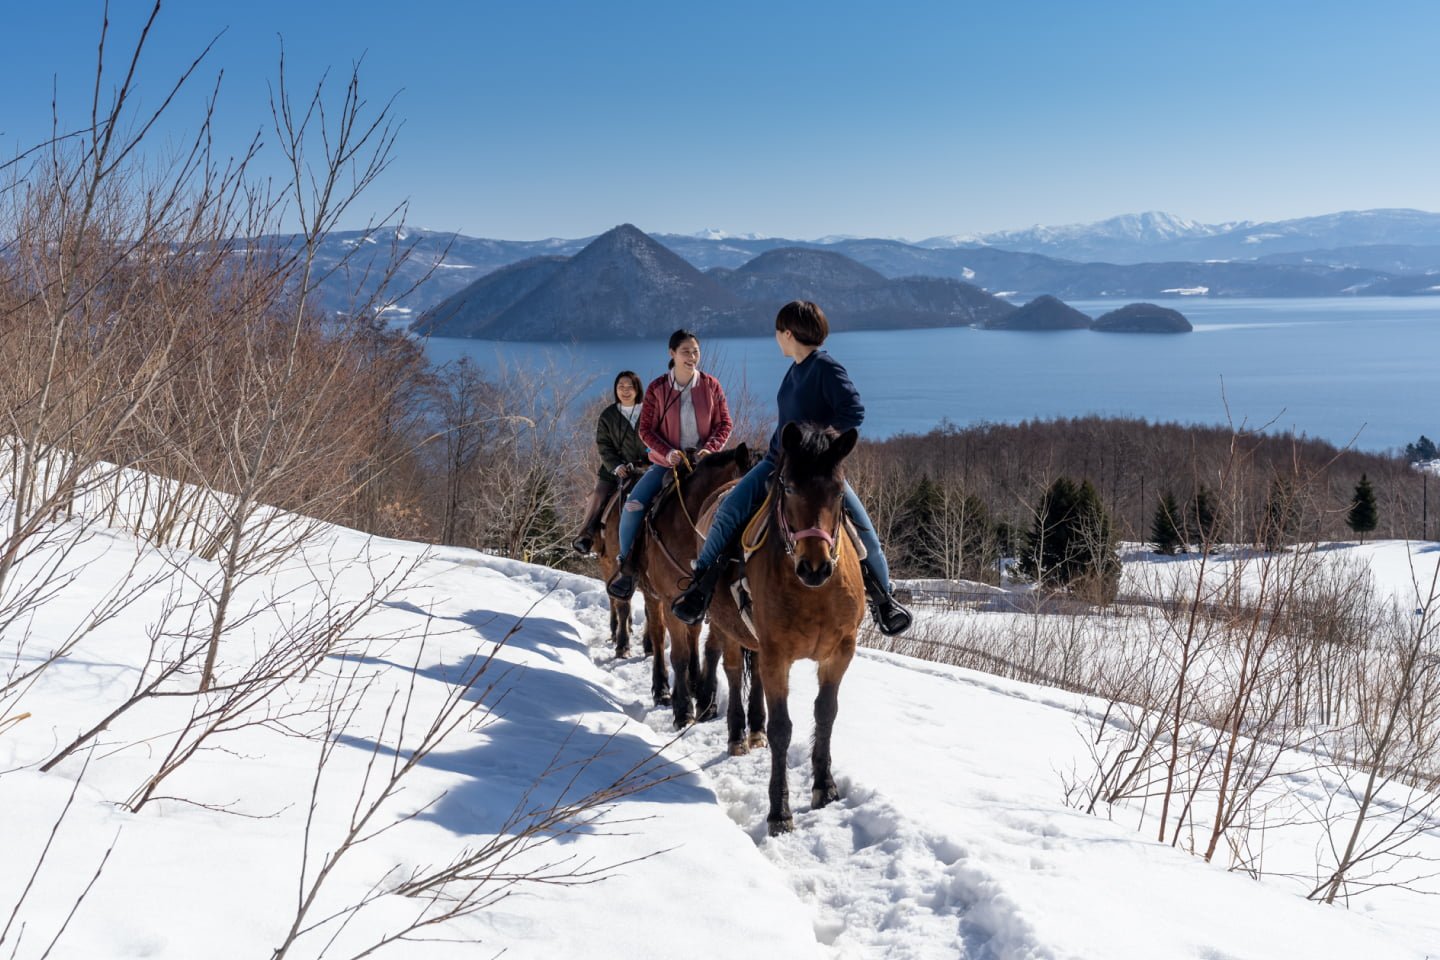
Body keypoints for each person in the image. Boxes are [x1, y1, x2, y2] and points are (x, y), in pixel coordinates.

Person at [671, 300, 912, 635]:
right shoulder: (796, 368)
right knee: (727, 514)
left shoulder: (825, 367)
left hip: (814, 470)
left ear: (788, 333)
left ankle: (885, 602)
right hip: (776, 461)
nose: (776, 339)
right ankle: (700, 589)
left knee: (863, 532)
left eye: (777, 332)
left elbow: (853, 412)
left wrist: (819, 446)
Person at [606, 329, 733, 601]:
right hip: (667, 465)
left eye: (695, 351)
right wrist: (668, 453)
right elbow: (646, 430)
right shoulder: (657, 388)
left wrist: (709, 450)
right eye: (685, 351)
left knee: (738, 505)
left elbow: (725, 424)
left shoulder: (711, 386)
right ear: (672, 354)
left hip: (705, 465)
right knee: (633, 505)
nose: (692, 356)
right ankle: (627, 568)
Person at [572, 370, 647, 556]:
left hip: (647, 467)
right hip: (614, 469)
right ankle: (586, 535)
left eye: (630, 386)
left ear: (637, 389)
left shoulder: (649, 411)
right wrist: (616, 465)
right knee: (598, 495)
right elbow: (603, 445)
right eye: (621, 386)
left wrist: (650, 458)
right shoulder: (608, 415)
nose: (625, 390)